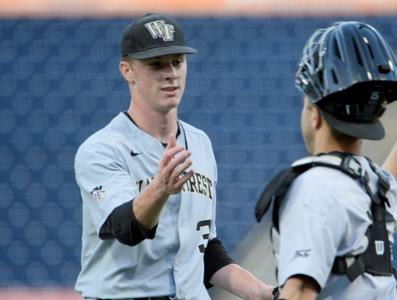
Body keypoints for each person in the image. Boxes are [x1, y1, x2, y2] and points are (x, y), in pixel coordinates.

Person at [74, 13, 273, 300]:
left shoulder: (200, 143)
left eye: (177, 62)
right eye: (156, 64)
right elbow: (126, 229)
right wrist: (160, 189)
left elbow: (205, 251)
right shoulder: (102, 149)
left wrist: (265, 293)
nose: (171, 73)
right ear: (127, 70)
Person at [255, 21, 397, 299]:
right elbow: (391, 187)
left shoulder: (314, 189)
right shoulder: (371, 183)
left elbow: (299, 292)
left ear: (314, 114)